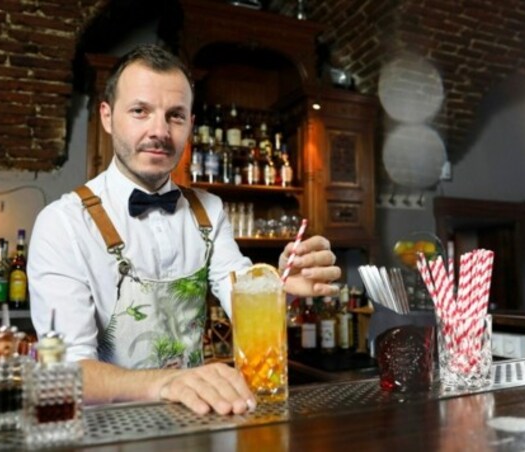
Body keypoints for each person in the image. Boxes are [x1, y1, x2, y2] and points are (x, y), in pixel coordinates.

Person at [28, 44, 341, 415]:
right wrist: (167, 383)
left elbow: (243, 302)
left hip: (193, 421)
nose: (159, 131)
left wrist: (282, 289)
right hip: (108, 431)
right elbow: (66, 371)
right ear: (108, 117)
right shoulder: (63, 222)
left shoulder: (209, 209)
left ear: (191, 125)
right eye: (140, 111)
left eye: (175, 116)